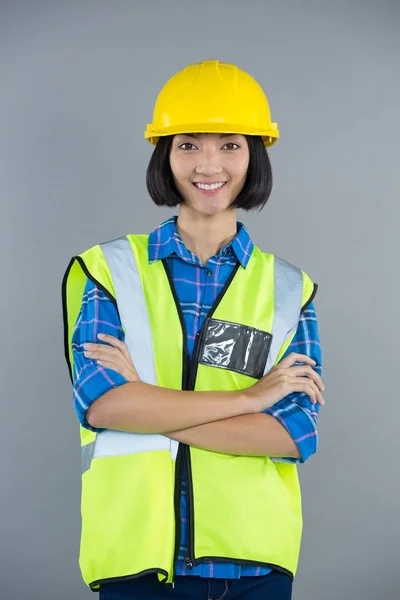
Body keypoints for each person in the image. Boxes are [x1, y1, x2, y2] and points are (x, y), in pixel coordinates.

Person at [62, 59, 324, 600]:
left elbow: (293, 434)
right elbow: (105, 406)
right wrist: (250, 399)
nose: (209, 164)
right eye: (189, 144)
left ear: (255, 156)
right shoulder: (108, 269)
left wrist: (150, 407)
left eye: (230, 144)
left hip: (254, 563)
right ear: (165, 155)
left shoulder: (288, 289)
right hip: (138, 562)